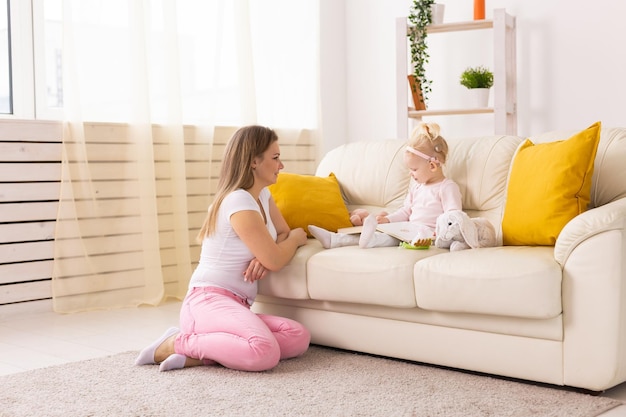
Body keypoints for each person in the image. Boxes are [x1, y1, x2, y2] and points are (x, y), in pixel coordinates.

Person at [135, 125, 310, 372]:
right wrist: (292, 240)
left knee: (297, 336)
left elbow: (280, 235)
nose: (281, 165)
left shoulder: (263, 196)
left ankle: (204, 355)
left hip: (236, 305)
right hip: (208, 301)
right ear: (253, 162)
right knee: (264, 352)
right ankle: (176, 342)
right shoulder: (238, 200)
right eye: (275, 158)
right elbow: (282, 248)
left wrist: (267, 254)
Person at [309, 122, 462, 249]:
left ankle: (367, 240)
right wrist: (388, 220)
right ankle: (335, 239)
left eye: (414, 169)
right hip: (409, 229)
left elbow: (453, 216)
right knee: (387, 234)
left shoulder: (447, 187)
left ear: (433, 166)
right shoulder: (417, 188)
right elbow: (405, 212)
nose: (411, 174)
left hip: (429, 235)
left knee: (387, 239)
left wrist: (440, 232)